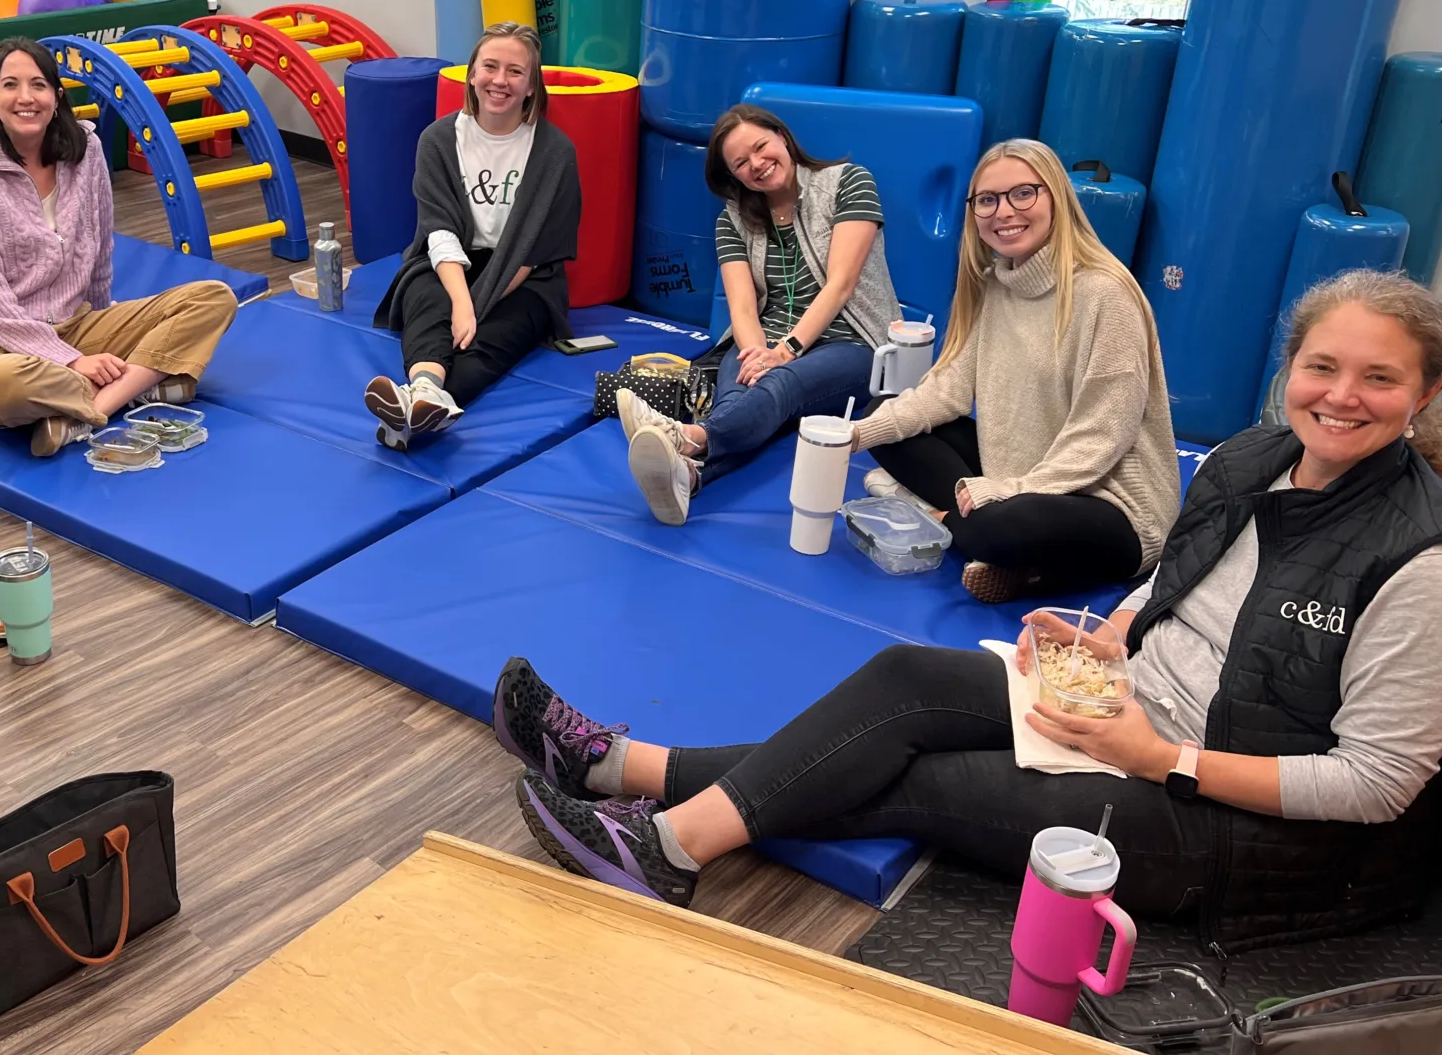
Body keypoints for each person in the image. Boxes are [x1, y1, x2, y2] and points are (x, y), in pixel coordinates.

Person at [492, 270, 1442, 950]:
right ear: (1290, 368)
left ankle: (667, 843)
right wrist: (1109, 637)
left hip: (1229, 823)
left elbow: (1380, 783)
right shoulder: (1249, 459)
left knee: (929, 781)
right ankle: (614, 767)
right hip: (1126, 711)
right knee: (904, 679)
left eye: (1380, 379)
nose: (1342, 397)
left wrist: (1165, 760)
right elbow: (1174, 579)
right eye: (1323, 367)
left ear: (1426, 395)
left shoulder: (1419, 558)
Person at [849, 137, 1178, 603]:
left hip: (1109, 500)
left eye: (1023, 193)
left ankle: (941, 518)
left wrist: (1011, 490)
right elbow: (947, 392)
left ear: (1056, 197)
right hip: (1019, 474)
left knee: (1001, 527)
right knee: (882, 415)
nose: (1004, 211)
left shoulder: (1107, 293)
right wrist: (854, 436)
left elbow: (1102, 436)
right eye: (987, 200)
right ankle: (1010, 555)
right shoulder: (991, 286)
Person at [0, 36, 238, 458]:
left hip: (77, 326)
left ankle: (90, 410)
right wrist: (71, 360)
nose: (26, 97)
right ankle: (140, 385)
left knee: (213, 299)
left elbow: (99, 251)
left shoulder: (86, 150)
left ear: (57, 96)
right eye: (10, 85)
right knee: (0, 387)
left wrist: (102, 323)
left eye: (38, 85)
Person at [618, 105, 901, 525]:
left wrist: (784, 352)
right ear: (733, 175)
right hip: (767, 342)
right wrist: (755, 355)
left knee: (779, 384)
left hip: (852, 341)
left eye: (761, 146)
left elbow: (840, 284)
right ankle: (690, 476)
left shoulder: (848, 182)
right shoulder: (733, 221)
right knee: (742, 396)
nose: (757, 163)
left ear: (782, 137)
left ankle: (688, 436)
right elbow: (743, 307)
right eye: (740, 163)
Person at [367, 23, 582, 449]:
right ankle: (426, 390)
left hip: (522, 276)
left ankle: (410, 412)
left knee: (490, 339)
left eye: (515, 72)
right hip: (448, 261)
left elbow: (534, 250)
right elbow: (439, 231)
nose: (500, 80)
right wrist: (461, 302)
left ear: (531, 86)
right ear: (471, 74)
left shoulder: (555, 152)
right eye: (490, 66)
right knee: (431, 304)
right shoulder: (438, 140)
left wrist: (477, 307)